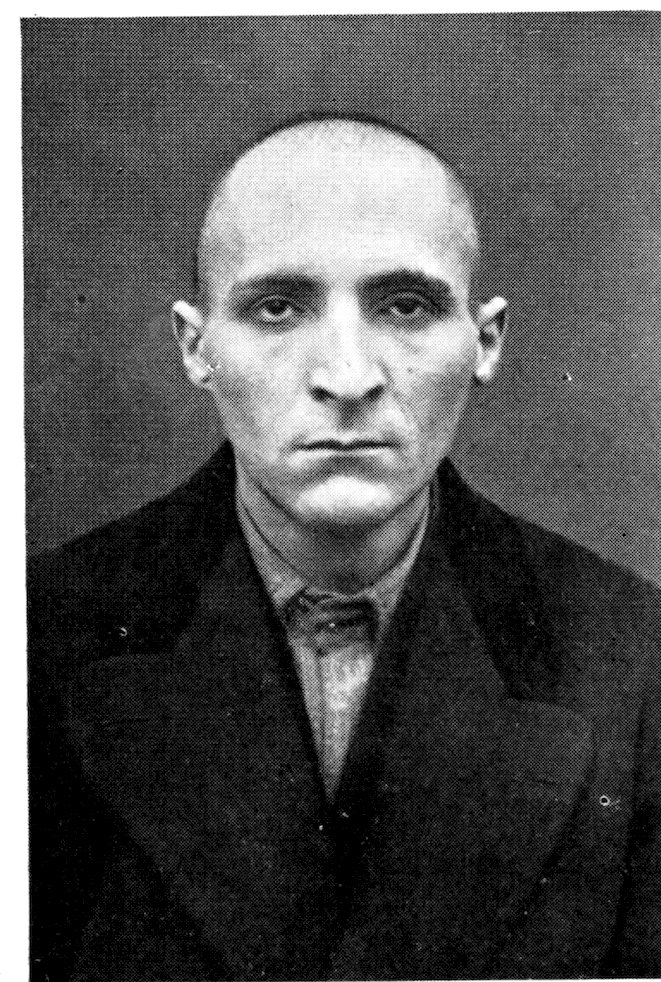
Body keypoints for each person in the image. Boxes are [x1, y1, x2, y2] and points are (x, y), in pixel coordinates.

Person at [28, 116, 660, 981]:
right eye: (277, 308)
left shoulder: (633, 657)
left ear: (484, 342)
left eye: (404, 306)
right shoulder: (34, 638)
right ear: (195, 346)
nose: (347, 376)